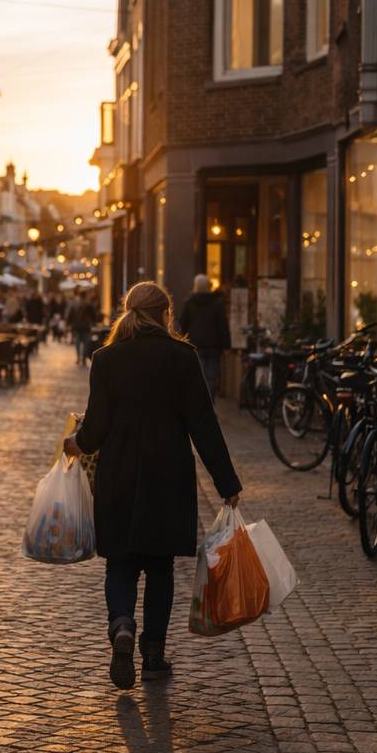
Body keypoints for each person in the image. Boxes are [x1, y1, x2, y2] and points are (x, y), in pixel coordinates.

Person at [63, 282, 243, 691]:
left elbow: (97, 427)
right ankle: (154, 654)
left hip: (119, 474)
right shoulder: (182, 357)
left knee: (121, 562)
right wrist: (226, 482)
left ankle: (122, 625)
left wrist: (76, 444)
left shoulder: (106, 359)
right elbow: (203, 424)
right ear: (166, 313)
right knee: (160, 567)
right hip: (168, 476)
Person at [179, 273, 231, 398]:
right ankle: (210, 400)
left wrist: (181, 341)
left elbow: (183, 323)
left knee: (198, 374)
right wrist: (226, 346)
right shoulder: (217, 303)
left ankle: (200, 400)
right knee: (211, 375)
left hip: (195, 344)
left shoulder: (189, 302)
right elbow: (222, 325)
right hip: (214, 345)